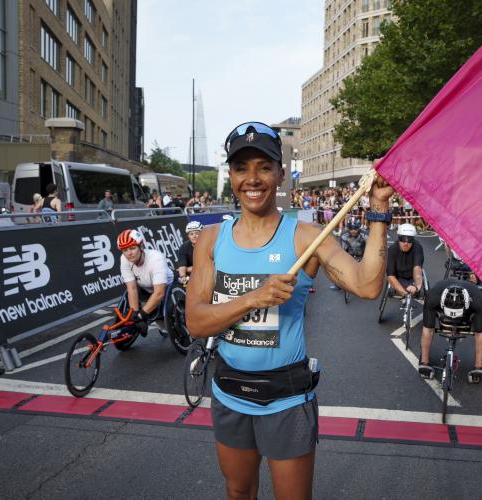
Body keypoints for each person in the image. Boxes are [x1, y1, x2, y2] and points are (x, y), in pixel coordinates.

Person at [186, 121, 393, 500]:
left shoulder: (304, 237)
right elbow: (196, 323)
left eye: (264, 167)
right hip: (230, 391)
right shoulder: (212, 240)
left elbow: (367, 286)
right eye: (241, 167)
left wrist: (378, 209)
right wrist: (253, 298)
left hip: (286, 399)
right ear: (230, 175)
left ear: (280, 173)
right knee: (237, 491)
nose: (253, 179)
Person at [419, 279, 482, 384]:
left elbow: (480, 334)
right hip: (442, 302)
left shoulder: (478, 300)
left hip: (468, 308)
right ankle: (424, 359)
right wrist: (424, 363)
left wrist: (478, 367)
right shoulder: (432, 297)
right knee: (428, 326)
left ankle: (479, 363)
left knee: (479, 330)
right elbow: (427, 330)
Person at [117, 228, 174, 336]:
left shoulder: (156, 258)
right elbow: (132, 288)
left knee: (158, 313)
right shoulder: (124, 259)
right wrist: (134, 314)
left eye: (132, 248)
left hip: (166, 287)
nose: (129, 253)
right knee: (141, 311)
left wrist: (142, 316)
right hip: (146, 287)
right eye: (125, 250)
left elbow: (159, 293)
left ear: (141, 246)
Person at [386, 223, 424, 299]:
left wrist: (416, 287)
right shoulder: (392, 249)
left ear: (413, 240)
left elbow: (417, 268)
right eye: (403, 239)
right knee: (391, 291)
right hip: (398, 278)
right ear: (398, 238)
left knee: (418, 292)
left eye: (409, 240)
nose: (406, 243)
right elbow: (390, 275)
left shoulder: (417, 247)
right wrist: (404, 293)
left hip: (412, 277)